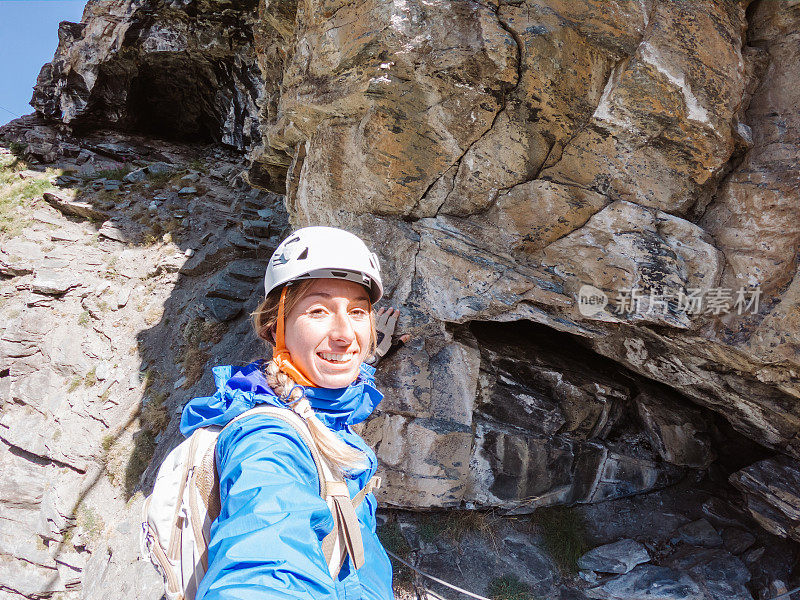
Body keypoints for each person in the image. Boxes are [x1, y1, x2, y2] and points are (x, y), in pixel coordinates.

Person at [179, 226, 400, 600]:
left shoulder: (320, 405)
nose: (346, 334)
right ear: (274, 328)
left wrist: (379, 351)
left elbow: (345, 358)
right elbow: (264, 563)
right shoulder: (268, 440)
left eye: (358, 312)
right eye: (318, 311)